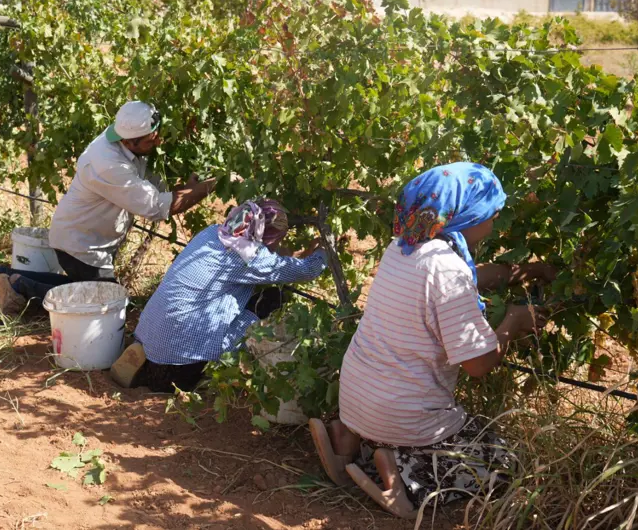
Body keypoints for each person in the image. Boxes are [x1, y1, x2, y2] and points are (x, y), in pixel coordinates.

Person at [309, 162, 556, 518]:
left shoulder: (405, 246)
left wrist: (523, 271)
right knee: (502, 463)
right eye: (492, 213)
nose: (494, 221)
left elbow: (462, 281)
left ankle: (346, 441)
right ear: (468, 216)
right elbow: (478, 364)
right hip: (402, 414)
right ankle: (406, 481)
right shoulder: (447, 270)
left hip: (356, 398)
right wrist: (514, 322)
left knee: (390, 421)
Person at [0, 101, 217, 314]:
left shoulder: (120, 137)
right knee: (103, 303)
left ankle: (1, 275)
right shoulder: (109, 164)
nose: (156, 142)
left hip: (79, 235)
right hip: (82, 245)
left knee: (84, 287)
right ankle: (19, 288)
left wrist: (187, 187)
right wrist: (207, 187)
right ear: (128, 141)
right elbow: (155, 207)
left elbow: (152, 190)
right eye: (150, 140)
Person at [110, 199, 328, 393]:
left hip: (149, 329)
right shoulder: (247, 257)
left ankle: (148, 359)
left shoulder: (214, 232)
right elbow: (304, 271)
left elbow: (272, 261)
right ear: (267, 237)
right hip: (182, 349)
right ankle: (184, 376)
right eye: (276, 240)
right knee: (271, 300)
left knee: (229, 300)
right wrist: (322, 250)